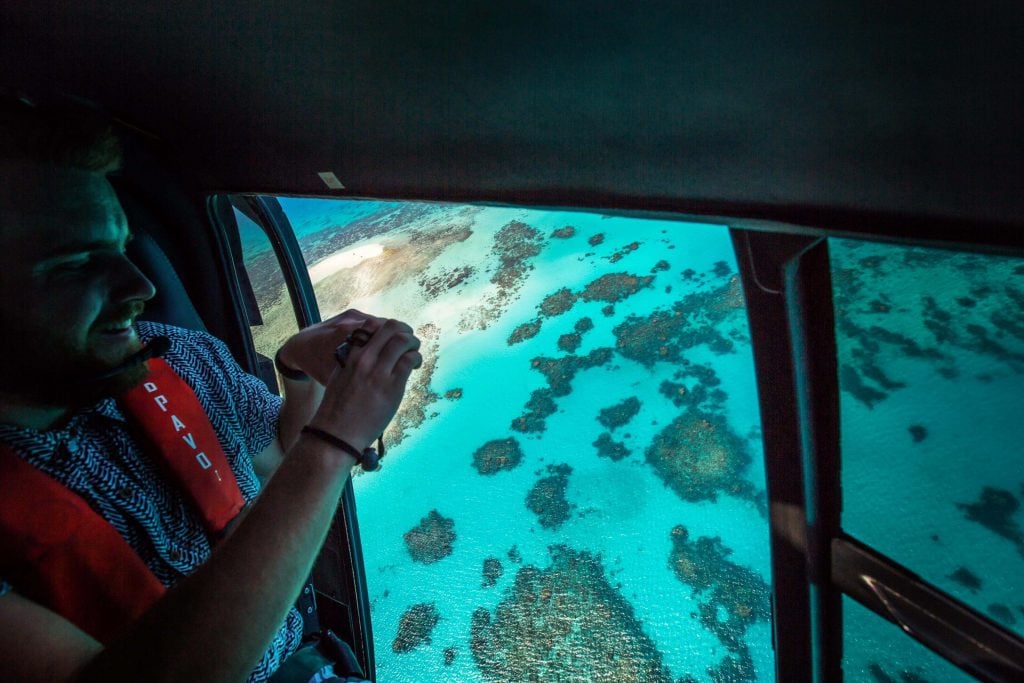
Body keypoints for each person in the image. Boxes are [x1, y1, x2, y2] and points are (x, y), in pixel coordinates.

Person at [0, 96, 421, 682]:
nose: (139, 286)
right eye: (73, 264)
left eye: (121, 248)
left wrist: (296, 369)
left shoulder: (174, 354)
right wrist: (336, 442)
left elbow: (274, 461)